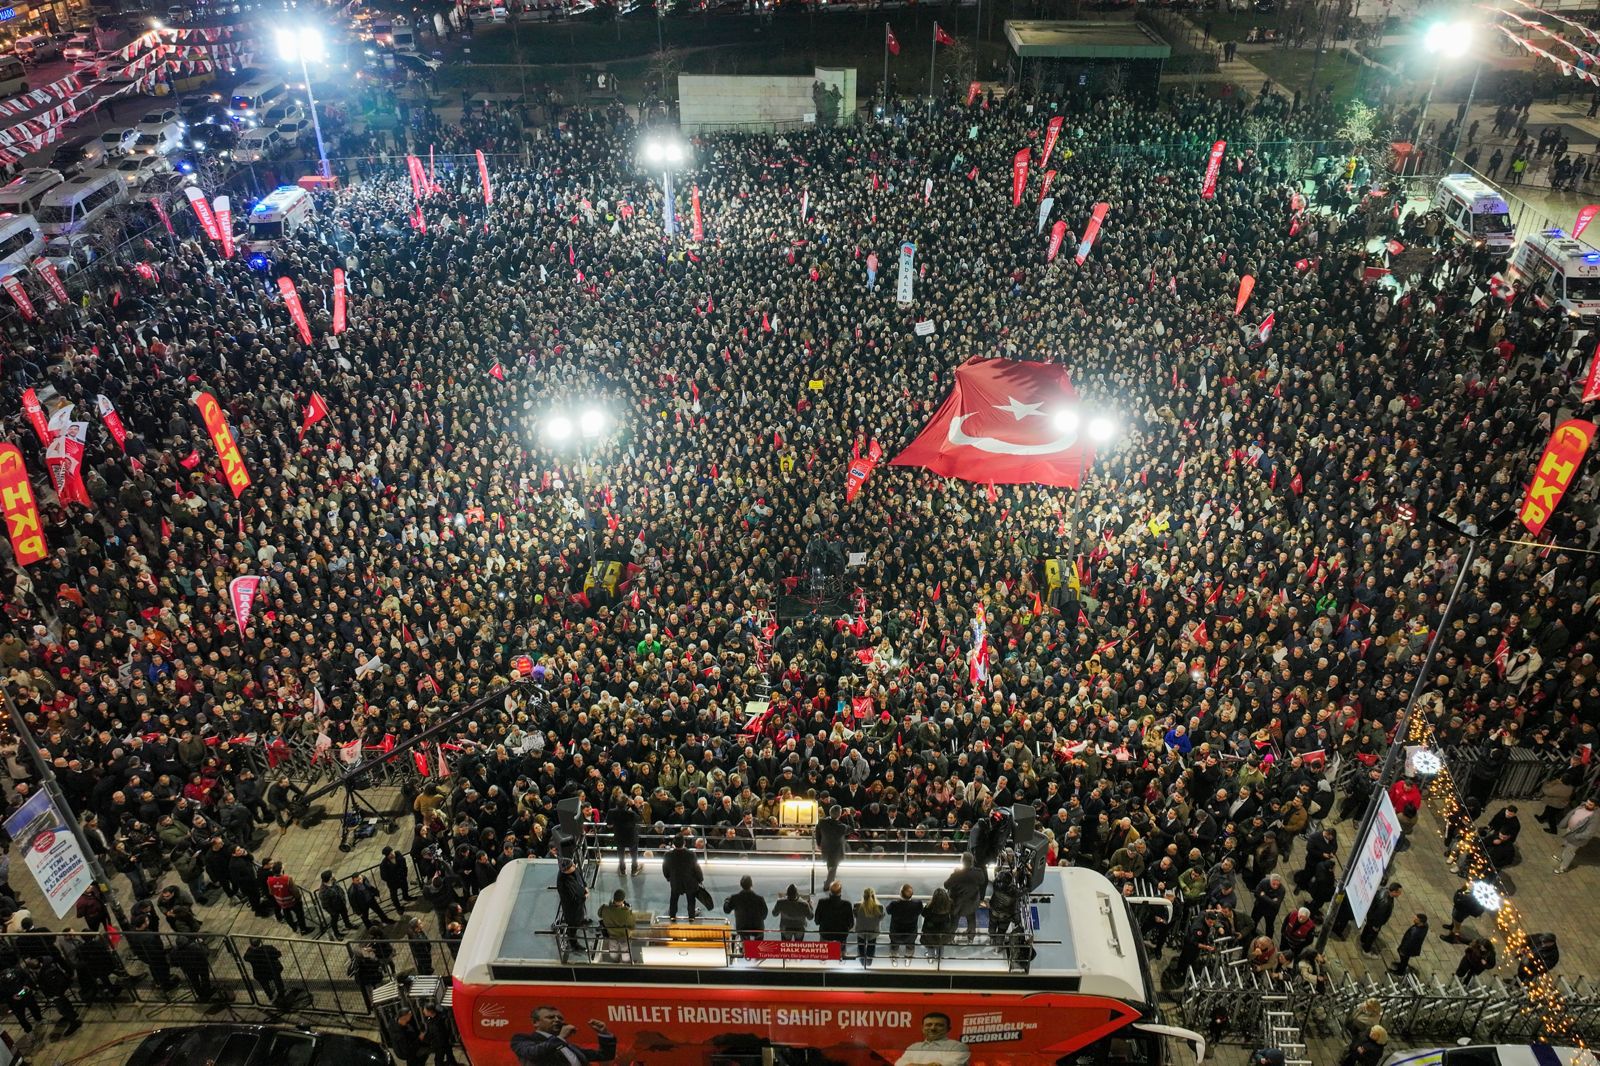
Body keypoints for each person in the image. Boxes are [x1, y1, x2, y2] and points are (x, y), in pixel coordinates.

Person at [510, 1006, 617, 1066]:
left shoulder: (570, 1047)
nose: (557, 1020)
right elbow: (534, 1053)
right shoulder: (522, 1039)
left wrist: (604, 1034)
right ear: (535, 1022)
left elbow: (605, 1055)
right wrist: (560, 1038)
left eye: (560, 1018)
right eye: (551, 1017)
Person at [894, 1011, 971, 1066]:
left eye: (939, 1025)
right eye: (928, 1025)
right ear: (923, 1028)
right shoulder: (914, 1047)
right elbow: (899, 1064)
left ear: (948, 1029)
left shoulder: (958, 1047)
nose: (933, 1028)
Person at [944, 853, 988, 940]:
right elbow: (983, 881)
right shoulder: (978, 872)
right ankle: (971, 937)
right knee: (971, 920)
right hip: (972, 902)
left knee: (954, 922)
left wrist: (955, 873)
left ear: (962, 862)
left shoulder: (956, 875)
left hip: (957, 904)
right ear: (972, 861)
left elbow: (946, 885)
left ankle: (950, 937)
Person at [661, 834, 703, 921]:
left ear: (673, 844)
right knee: (691, 899)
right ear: (684, 843)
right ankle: (691, 916)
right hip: (690, 882)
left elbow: (665, 869)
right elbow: (696, 868)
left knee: (674, 898)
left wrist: (669, 878)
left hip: (675, 881)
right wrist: (700, 879)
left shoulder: (668, 855)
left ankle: (672, 915)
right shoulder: (691, 854)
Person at [1554, 798, 1597, 874]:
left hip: (1577, 837)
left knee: (1570, 852)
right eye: (1587, 802)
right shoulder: (1582, 806)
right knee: (1565, 846)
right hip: (1570, 831)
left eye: (1590, 804)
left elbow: (1589, 833)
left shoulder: (1595, 818)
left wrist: (1576, 836)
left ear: (1596, 807)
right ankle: (1562, 858)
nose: (1587, 804)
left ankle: (1563, 868)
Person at [266, 861, 310, 935]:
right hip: (292, 901)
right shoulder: (287, 879)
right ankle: (303, 929)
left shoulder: (270, 880)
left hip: (281, 902)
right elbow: (295, 891)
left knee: (287, 915)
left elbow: (271, 892)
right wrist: (298, 898)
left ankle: (294, 927)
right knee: (300, 914)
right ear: (281, 870)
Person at [886, 884, 925, 964]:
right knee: (910, 947)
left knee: (894, 946)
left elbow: (888, 911)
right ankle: (908, 960)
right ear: (912, 894)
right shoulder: (918, 904)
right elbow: (921, 911)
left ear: (900, 893)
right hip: (910, 935)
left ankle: (894, 959)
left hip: (896, 935)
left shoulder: (894, 904)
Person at [723, 875, 769, 942]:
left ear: (741, 884)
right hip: (757, 929)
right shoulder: (759, 899)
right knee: (758, 945)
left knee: (745, 944)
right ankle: (756, 951)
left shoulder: (735, 898)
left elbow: (726, 910)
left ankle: (746, 950)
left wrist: (727, 901)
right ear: (751, 884)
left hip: (742, 929)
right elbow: (764, 915)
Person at [1359, 882, 1401, 955]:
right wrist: (1376, 926)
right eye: (1399, 892)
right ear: (1394, 892)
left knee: (1367, 927)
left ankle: (1362, 939)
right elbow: (1380, 915)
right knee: (1372, 935)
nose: (1400, 894)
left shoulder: (1383, 890)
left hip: (1370, 915)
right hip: (1375, 921)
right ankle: (1366, 949)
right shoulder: (1385, 902)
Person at [557, 857, 589, 952]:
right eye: (572, 866)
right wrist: (585, 897)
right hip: (571, 907)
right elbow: (573, 899)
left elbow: (579, 876)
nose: (574, 866)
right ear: (566, 871)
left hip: (579, 901)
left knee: (580, 914)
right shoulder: (564, 883)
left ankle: (581, 921)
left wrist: (585, 886)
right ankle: (574, 944)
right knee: (572, 925)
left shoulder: (573, 868)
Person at [171, 934, 216, 1001]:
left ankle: (200, 994)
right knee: (205, 978)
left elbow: (174, 963)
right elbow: (206, 953)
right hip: (201, 966)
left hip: (188, 969)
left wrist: (181, 964)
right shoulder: (195, 947)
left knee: (195, 982)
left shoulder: (174, 951)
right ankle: (207, 991)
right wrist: (202, 943)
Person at [597, 889, 638, 962]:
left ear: (614, 898)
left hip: (611, 935)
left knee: (613, 951)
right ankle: (625, 963)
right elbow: (632, 925)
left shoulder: (605, 909)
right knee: (625, 952)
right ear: (623, 900)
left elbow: (599, 914)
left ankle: (615, 962)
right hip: (624, 937)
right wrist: (628, 909)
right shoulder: (626, 913)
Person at [814, 805, 850, 885]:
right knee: (833, 867)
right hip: (837, 850)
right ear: (840, 815)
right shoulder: (841, 827)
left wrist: (818, 843)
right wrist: (849, 815)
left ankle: (831, 881)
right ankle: (828, 885)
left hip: (825, 847)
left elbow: (817, 832)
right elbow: (852, 828)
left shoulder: (822, 822)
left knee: (830, 865)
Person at [815, 881, 854, 947]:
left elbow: (817, 921)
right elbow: (851, 923)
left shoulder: (822, 903)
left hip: (825, 935)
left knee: (825, 954)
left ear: (830, 891)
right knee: (839, 955)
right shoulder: (847, 905)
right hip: (841, 936)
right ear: (840, 891)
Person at [921, 888, 956, 959]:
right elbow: (953, 914)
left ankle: (931, 958)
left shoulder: (930, 907)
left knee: (930, 946)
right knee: (941, 946)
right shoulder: (950, 905)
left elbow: (923, 914)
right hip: (943, 934)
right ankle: (939, 959)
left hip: (930, 933)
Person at [320, 870, 356, 936]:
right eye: (332, 874)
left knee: (345, 914)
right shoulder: (323, 891)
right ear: (329, 878)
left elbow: (338, 889)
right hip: (334, 909)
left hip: (341, 903)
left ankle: (348, 924)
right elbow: (325, 905)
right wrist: (333, 912)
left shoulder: (333, 881)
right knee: (334, 921)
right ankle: (336, 933)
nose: (334, 874)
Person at [855, 887, 885, 967]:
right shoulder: (880, 907)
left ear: (863, 896)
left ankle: (862, 961)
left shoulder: (857, 906)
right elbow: (881, 918)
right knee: (872, 945)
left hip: (860, 931)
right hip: (873, 932)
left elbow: (855, 915)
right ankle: (869, 962)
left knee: (860, 945)